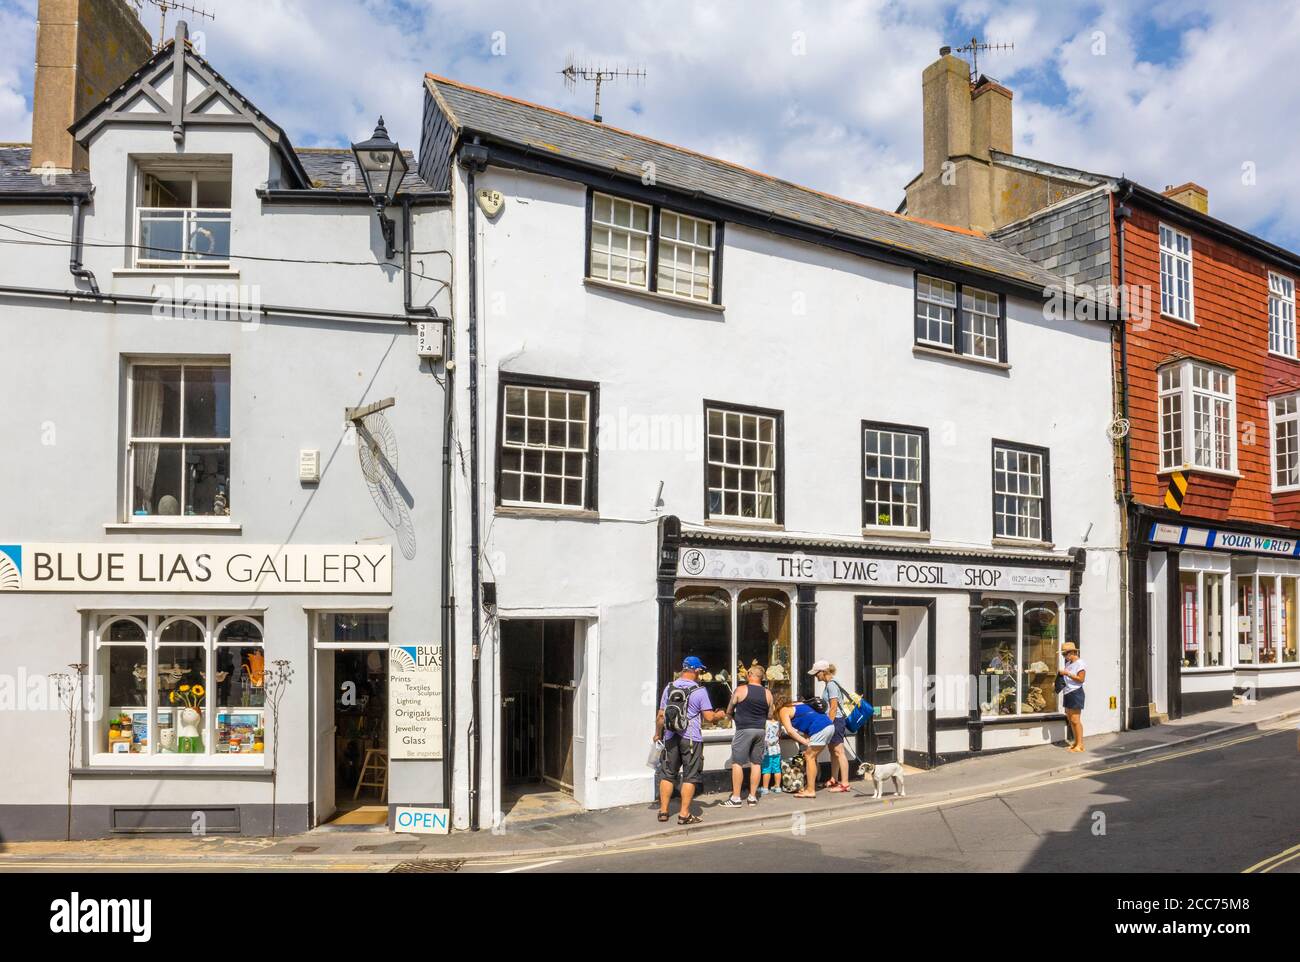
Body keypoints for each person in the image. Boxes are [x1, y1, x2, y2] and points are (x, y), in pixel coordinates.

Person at [654, 656, 728, 824]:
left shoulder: (669, 687)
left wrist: (658, 733)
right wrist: (720, 714)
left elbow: (660, 715)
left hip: (670, 736)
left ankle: (663, 812)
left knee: (667, 775)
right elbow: (709, 717)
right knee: (690, 776)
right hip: (691, 739)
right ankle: (684, 814)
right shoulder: (699, 691)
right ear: (696, 670)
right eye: (700, 670)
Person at [722, 665, 774, 806]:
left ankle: (736, 798)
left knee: (737, 762)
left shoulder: (741, 689)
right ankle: (752, 797)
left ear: (750, 674)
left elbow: (729, 710)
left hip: (744, 730)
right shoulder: (767, 693)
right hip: (760, 730)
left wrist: (734, 717)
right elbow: (770, 715)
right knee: (756, 763)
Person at [778, 696, 835, 799]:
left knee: (810, 757)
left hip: (820, 728)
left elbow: (790, 731)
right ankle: (810, 785)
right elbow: (808, 722)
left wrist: (805, 742)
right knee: (812, 757)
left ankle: (810, 790)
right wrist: (806, 741)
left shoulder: (783, 710)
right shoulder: (799, 704)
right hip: (828, 725)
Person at [810, 660, 851, 792]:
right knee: (833, 752)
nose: (815, 676)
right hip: (834, 721)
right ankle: (834, 779)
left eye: (816, 674)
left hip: (835, 721)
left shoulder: (831, 685)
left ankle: (845, 784)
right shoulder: (830, 684)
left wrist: (828, 724)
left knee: (839, 752)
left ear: (823, 672)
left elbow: (833, 707)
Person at [1059, 642, 1087, 752]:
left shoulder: (1080, 664)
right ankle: (1076, 742)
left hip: (1076, 692)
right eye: (1063, 654)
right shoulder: (1068, 663)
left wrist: (1067, 674)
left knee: (1075, 720)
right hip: (1068, 692)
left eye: (1065, 653)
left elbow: (1081, 679)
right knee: (1070, 719)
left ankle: (1080, 745)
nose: (1064, 656)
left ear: (1073, 652)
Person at [759, 705, 783, 796]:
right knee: (777, 768)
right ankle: (777, 787)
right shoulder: (778, 723)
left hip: (767, 749)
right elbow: (779, 734)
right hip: (776, 749)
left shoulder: (765, 723)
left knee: (766, 769)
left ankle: (765, 788)